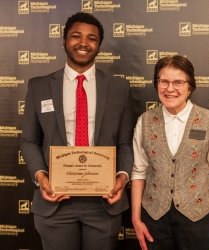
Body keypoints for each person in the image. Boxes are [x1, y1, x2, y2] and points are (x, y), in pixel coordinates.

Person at [20, 12, 134, 250]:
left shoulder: (119, 88)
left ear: (99, 45)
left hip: (104, 202)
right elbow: (29, 141)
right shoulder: (39, 86)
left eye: (92, 38)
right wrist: (42, 179)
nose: (84, 43)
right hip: (54, 201)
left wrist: (121, 179)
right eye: (76, 36)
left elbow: (125, 143)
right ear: (64, 41)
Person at [131, 55, 209, 250]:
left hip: (199, 219)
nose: (170, 89)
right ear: (156, 84)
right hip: (154, 220)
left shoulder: (208, 120)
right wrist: (136, 219)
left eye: (178, 82)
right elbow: (138, 172)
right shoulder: (145, 121)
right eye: (164, 81)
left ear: (190, 86)